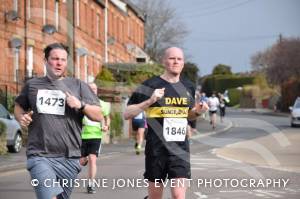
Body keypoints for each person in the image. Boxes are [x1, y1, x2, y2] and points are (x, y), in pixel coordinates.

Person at [14, 43, 103, 199]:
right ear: (46, 60)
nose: (59, 63)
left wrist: (81, 105)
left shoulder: (78, 86)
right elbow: (18, 106)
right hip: (39, 155)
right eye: (55, 59)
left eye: (63, 59)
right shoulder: (33, 85)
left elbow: (98, 115)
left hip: (69, 157)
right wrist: (21, 117)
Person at [124, 47, 208, 199]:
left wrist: (198, 112)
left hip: (179, 150)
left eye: (179, 59)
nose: (175, 61)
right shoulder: (150, 85)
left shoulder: (188, 86)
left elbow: (187, 116)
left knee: (178, 196)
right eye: (172, 58)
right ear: (164, 61)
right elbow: (127, 113)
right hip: (156, 151)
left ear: (183, 63)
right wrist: (150, 101)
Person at [81, 82, 111, 194]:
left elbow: (107, 118)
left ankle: (91, 184)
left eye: (95, 89)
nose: (93, 90)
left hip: (96, 136)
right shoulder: (82, 104)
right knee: (81, 161)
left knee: (93, 160)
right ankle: (84, 159)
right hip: (82, 136)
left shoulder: (102, 104)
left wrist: (106, 126)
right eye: (91, 89)